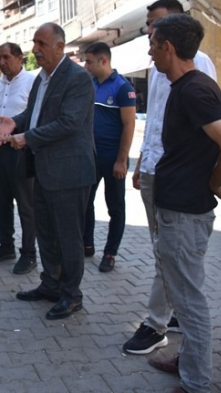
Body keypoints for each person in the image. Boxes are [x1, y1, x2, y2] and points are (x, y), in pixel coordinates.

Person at [142, 14, 221, 393]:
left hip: (185, 212)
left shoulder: (194, 90)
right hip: (179, 207)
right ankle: (188, 362)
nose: (150, 52)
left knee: (188, 302)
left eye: (153, 44)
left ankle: (196, 383)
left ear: (168, 48)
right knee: (185, 291)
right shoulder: (187, 86)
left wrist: (214, 180)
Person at [124, 0, 218, 355]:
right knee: (163, 252)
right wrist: (141, 162)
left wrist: (214, 178)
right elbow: (158, 121)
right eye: (148, 24)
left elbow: (210, 126)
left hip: (180, 179)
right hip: (155, 170)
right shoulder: (158, 64)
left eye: (155, 24)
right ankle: (174, 313)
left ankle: (155, 324)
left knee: (171, 255)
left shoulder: (198, 66)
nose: (150, 31)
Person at [0, 22, 95, 320]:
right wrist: (16, 122)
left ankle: (71, 295)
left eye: (41, 44)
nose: (35, 50)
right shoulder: (43, 78)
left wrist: (27, 138)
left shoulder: (77, 78)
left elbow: (69, 123)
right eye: (34, 43)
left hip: (69, 172)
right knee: (46, 232)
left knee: (68, 236)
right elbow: (34, 114)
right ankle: (50, 284)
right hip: (43, 169)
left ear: (60, 47)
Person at [0, 43, 38, 274]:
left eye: (6, 57)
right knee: (1, 201)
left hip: (21, 150)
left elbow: (35, 117)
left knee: (25, 204)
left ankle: (29, 253)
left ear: (19, 58)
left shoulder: (32, 83)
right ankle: (6, 246)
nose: (2, 62)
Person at [82, 42, 136, 272]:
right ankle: (87, 244)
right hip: (91, 156)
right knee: (85, 202)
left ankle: (110, 253)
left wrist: (121, 160)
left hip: (113, 158)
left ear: (104, 61)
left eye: (89, 61)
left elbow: (129, 126)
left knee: (115, 208)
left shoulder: (123, 87)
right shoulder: (91, 84)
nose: (86, 66)